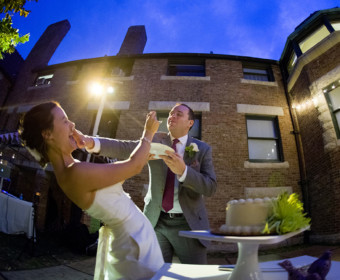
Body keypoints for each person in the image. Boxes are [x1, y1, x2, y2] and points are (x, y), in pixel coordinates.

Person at [19, 101, 164, 280]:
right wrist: (148, 134)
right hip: (133, 247)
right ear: (48, 134)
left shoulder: (73, 168)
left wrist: (142, 154)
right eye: (65, 121)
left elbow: (116, 179)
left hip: (136, 241)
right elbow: (133, 167)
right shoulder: (74, 173)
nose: (72, 125)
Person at [75, 103, 217, 264]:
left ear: (190, 123)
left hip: (188, 223)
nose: (172, 116)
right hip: (156, 222)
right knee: (154, 272)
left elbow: (210, 187)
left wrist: (184, 171)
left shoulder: (202, 149)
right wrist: (91, 142)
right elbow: (125, 148)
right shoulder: (156, 141)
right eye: (171, 113)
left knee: (195, 274)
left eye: (178, 114)